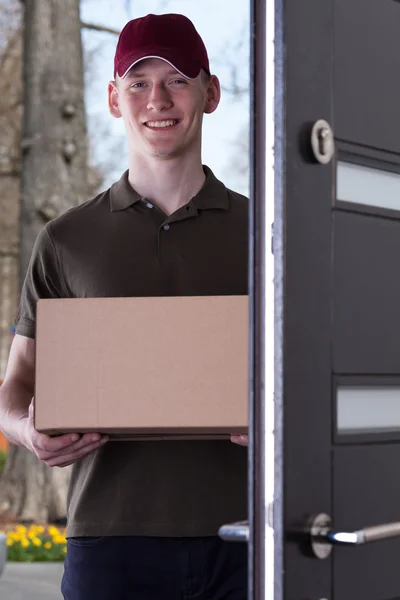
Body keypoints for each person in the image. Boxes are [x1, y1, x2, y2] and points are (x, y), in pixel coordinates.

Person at [0, 13, 249, 600]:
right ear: (113, 100)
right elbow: (16, 384)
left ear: (209, 93)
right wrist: (27, 431)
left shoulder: (265, 229)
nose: (156, 99)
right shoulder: (66, 239)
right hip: (108, 542)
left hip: (243, 532)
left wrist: (283, 426)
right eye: (137, 83)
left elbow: (311, 376)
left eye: (177, 79)